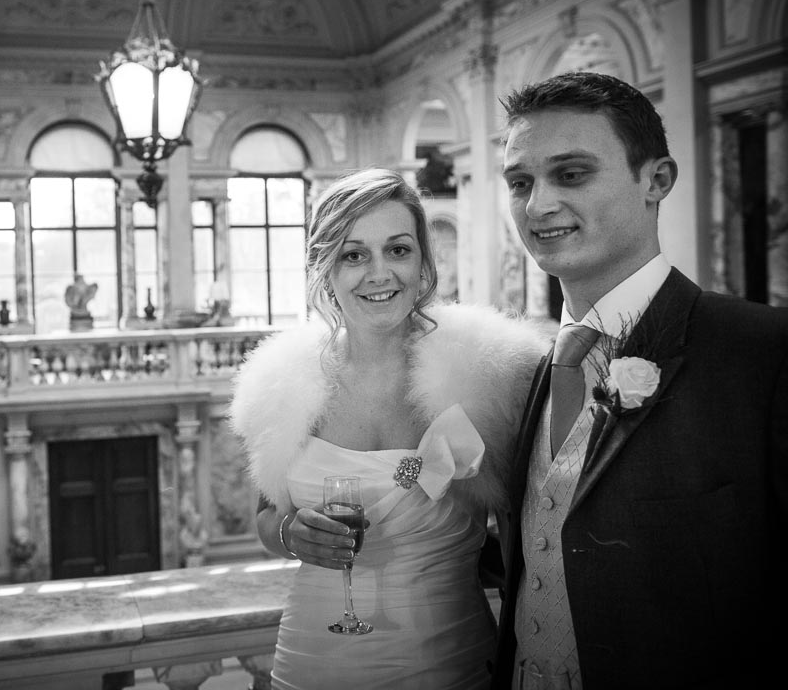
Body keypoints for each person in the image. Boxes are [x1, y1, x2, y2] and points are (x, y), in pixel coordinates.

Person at [493, 71, 788, 688]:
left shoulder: (764, 353)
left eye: (571, 174)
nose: (538, 206)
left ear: (657, 180)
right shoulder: (530, 368)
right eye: (520, 183)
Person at [229, 168, 547, 689]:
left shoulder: (490, 371)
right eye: (354, 255)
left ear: (423, 262)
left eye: (398, 250)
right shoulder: (280, 382)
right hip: (313, 661)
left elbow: (534, 539)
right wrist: (292, 535)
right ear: (324, 267)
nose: (379, 274)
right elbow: (267, 519)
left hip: (451, 663)